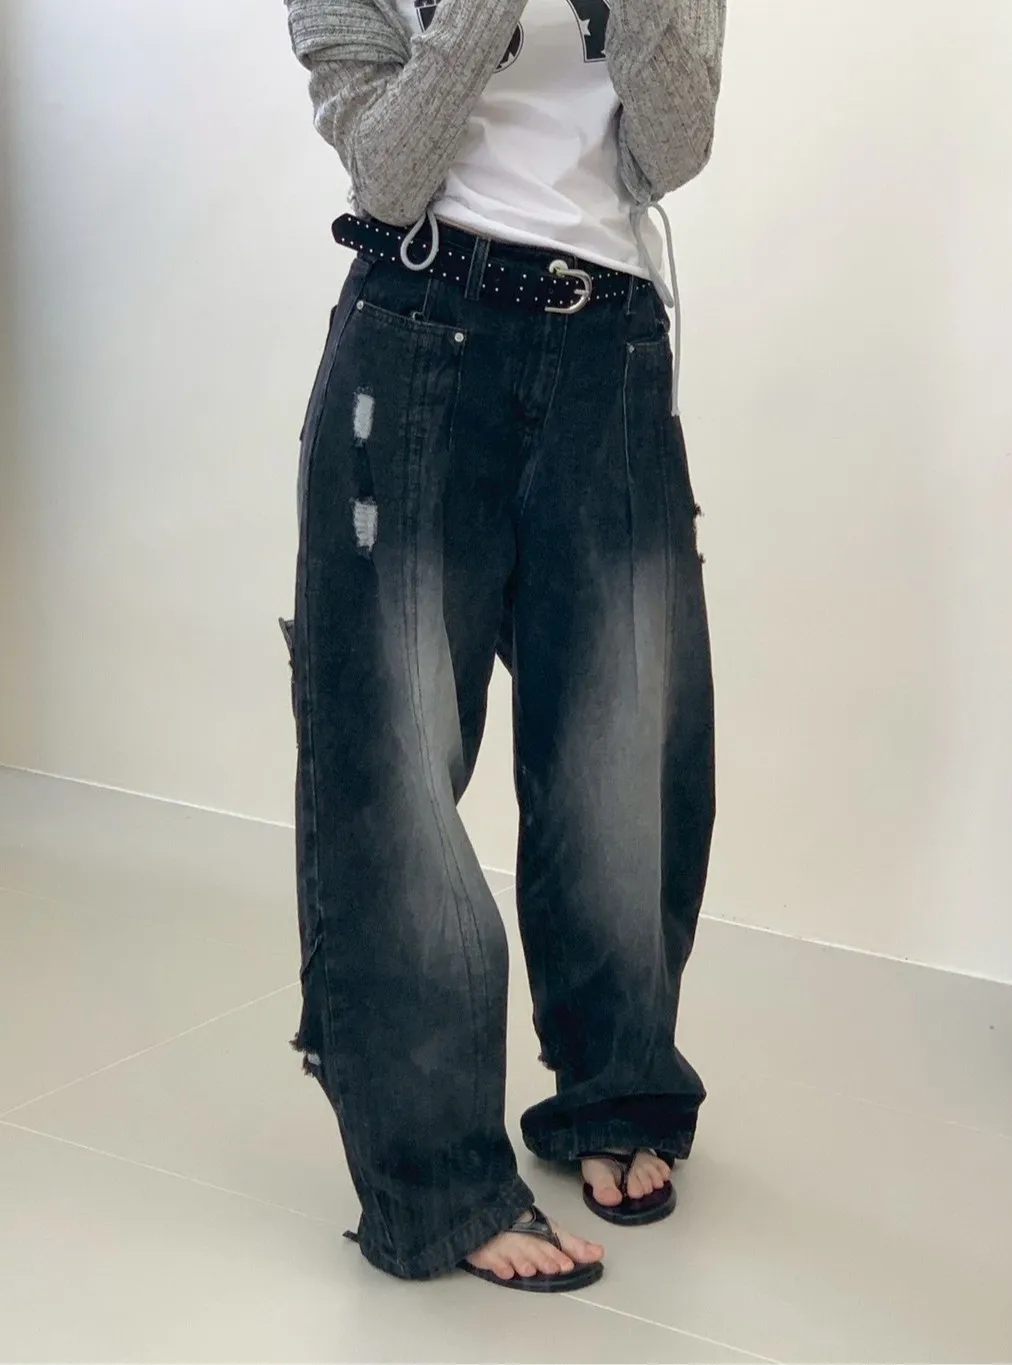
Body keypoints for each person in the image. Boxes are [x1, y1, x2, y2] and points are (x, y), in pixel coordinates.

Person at [280, 0, 726, 1292]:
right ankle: (435, 1180)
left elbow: (672, 150)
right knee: (394, 766)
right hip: (417, 338)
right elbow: (387, 170)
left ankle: (614, 1089)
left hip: (610, 353)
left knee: (626, 752)